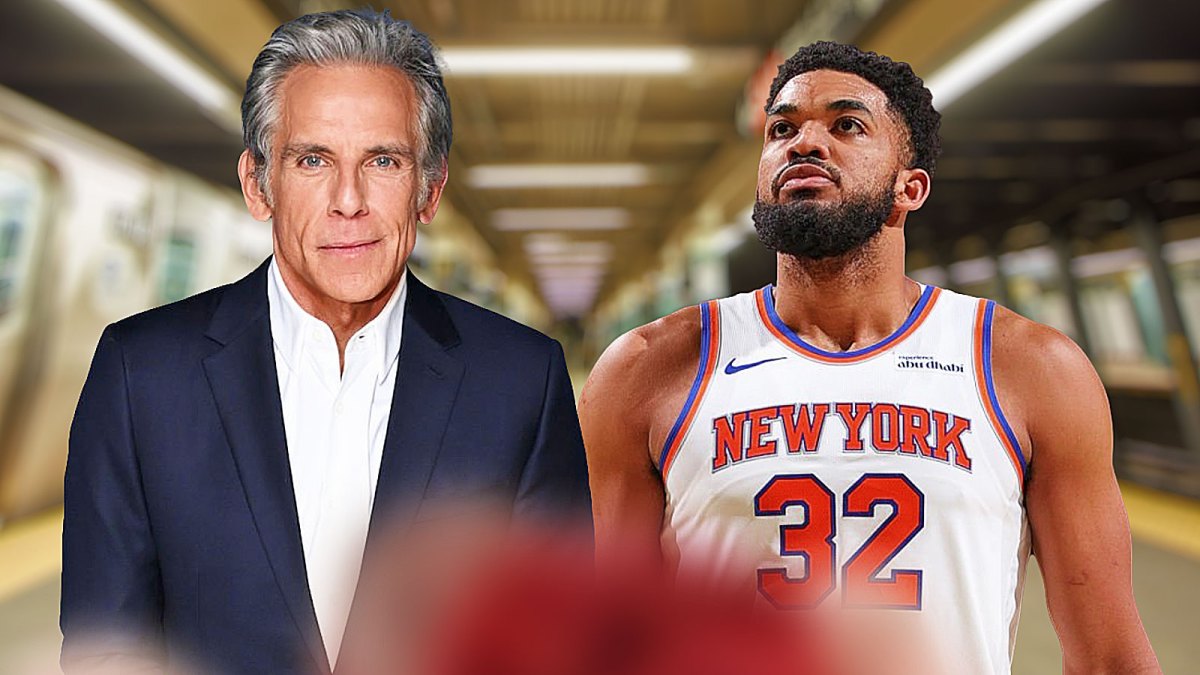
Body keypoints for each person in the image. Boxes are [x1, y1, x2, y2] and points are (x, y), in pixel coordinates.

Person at [580, 41, 1160, 674]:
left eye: (846, 125)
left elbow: (1111, 657)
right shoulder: (649, 367)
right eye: (782, 128)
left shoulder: (1029, 368)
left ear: (909, 189)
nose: (803, 143)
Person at [61, 9, 590, 675]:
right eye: (312, 159)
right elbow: (103, 645)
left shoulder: (523, 382)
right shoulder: (141, 375)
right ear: (259, 185)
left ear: (429, 189)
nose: (349, 199)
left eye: (384, 160)